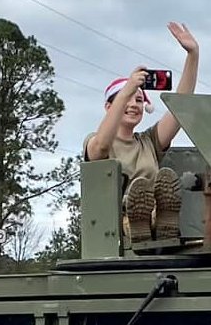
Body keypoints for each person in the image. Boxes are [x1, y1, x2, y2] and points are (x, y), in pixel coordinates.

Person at [84, 22, 199, 244]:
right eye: (127, 99)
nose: (134, 104)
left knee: (160, 194)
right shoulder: (95, 141)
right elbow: (100, 148)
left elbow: (180, 107)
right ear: (109, 107)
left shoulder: (148, 142)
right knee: (135, 204)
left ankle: (161, 220)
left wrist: (193, 55)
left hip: (157, 226)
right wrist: (128, 88)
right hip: (116, 232)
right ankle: (138, 221)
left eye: (139, 100)